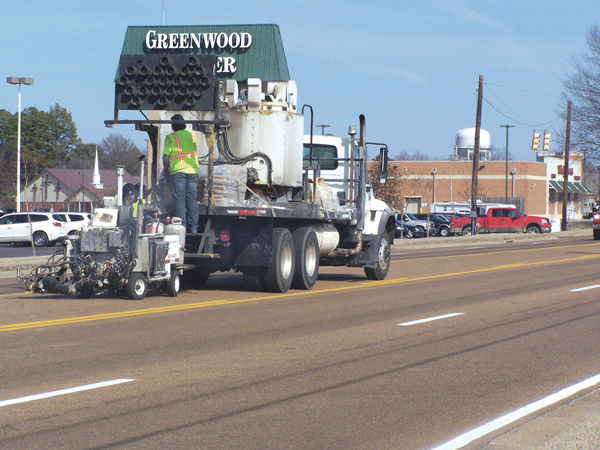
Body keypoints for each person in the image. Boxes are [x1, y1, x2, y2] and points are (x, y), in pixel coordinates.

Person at [162, 114, 199, 233]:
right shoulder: (192, 136)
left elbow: (166, 157)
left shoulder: (170, 137)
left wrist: (166, 171)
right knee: (192, 199)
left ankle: (182, 226)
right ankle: (194, 227)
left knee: (180, 199)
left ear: (173, 126)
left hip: (178, 171)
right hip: (193, 170)